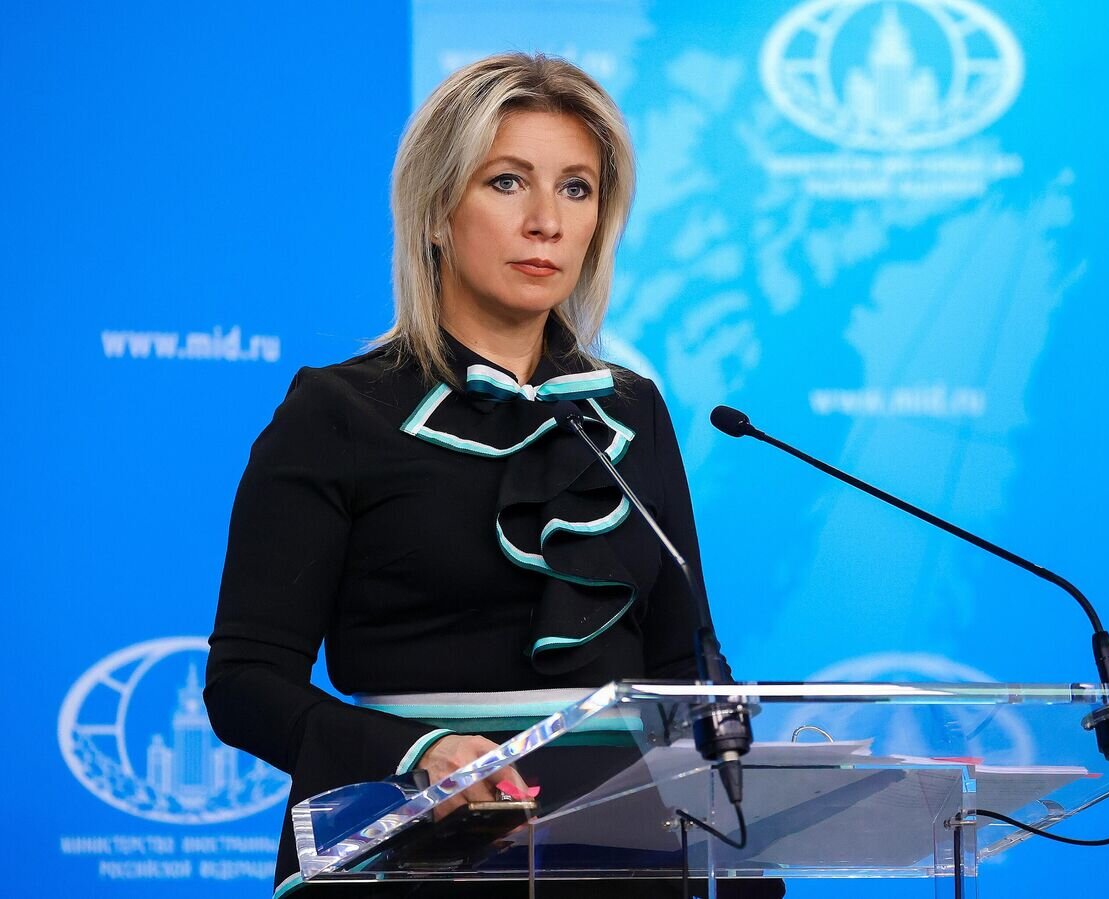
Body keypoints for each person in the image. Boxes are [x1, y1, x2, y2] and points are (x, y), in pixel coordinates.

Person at [206, 53, 770, 898]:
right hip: (410, 847)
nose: (546, 221)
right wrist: (417, 753)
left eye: (576, 189)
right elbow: (245, 683)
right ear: (437, 211)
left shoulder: (633, 411)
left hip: (624, 855)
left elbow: (680, 667)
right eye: (508, 182)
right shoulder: (337, 411)